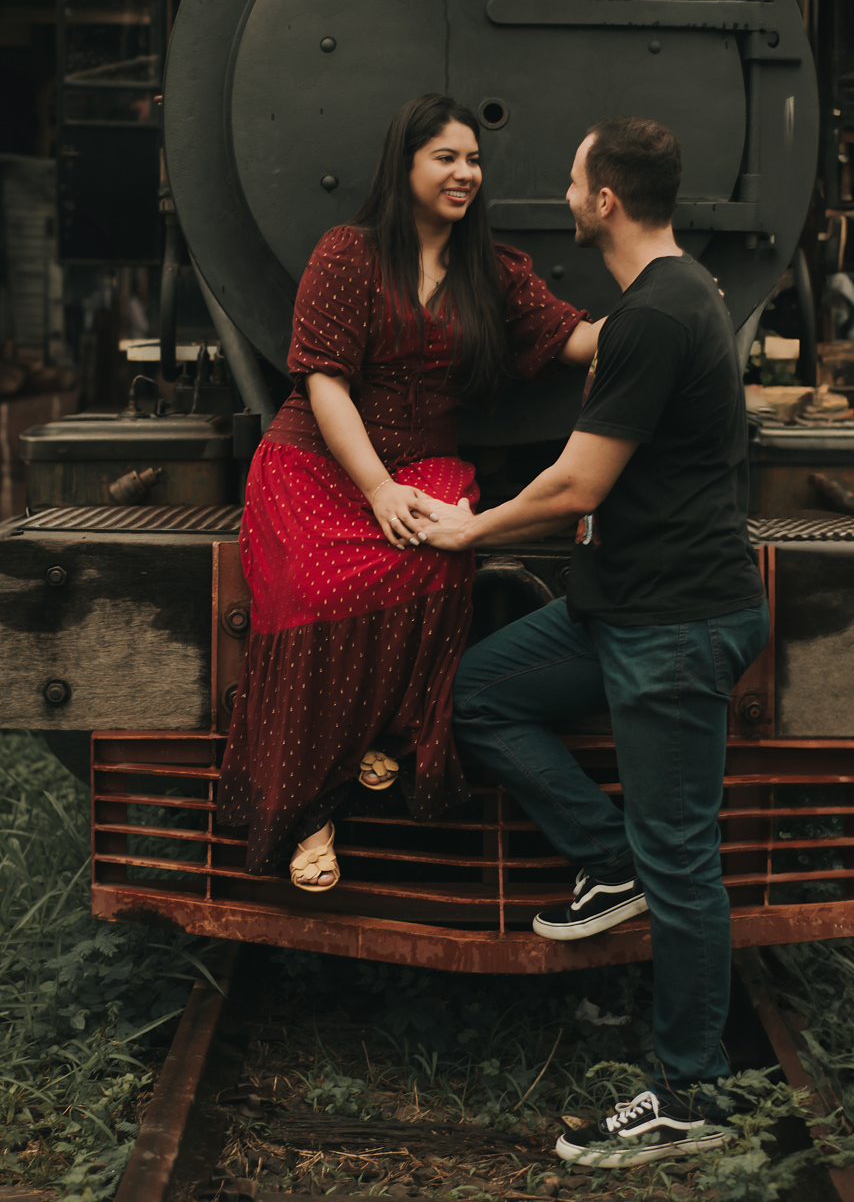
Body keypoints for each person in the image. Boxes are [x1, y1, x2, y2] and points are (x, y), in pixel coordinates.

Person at [417, 116, 769, 1167]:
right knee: (480, 690)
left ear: (602, 201)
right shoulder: (663, 297)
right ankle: (601, 859)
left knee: (684, 862)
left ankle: (689, 1094)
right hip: (618, 606)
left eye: (571, 178)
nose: (561, 191)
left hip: (673, 622)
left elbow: (578, 482)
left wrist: (468, 529)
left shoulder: (658, 314)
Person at [216, 93, 602, 889]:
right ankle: (314, 809)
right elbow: (323, 385)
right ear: (406, 164)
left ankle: (382, 736)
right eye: (447, 158)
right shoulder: (348, 254)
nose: (466, 173)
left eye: (473, 160)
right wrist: (377, 488)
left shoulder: (490, 271)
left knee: (437, 555)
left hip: (427, 461)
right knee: (306, 587)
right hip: (318, 458)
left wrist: (660, 315)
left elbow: (572, 337)